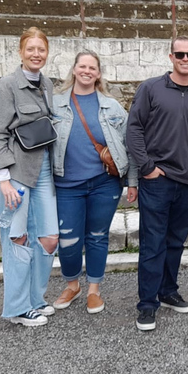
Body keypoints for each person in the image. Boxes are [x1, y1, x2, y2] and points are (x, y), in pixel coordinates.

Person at [127, 35, 188, 331]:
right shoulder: (151, 89)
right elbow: (134, 129)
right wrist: (147, 168)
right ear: (170, 56)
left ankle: (167, 291)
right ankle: (147, 304)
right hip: (158, 180)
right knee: (152, 244)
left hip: (187, 182)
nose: (185, 59)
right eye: (180, 54)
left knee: (175, 242)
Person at [51, 51, 138, 315]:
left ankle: (94, 290)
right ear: (74, 70)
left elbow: (128, 146)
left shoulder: (112, 106)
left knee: (98, 237)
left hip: (104, 182)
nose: (87, 71)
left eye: (92, 68)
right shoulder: (55, 104)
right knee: (68, 240)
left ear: (98, 74)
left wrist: (131, 181)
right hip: (67, 184)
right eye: (82, 66)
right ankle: (72, 284)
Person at [0, 27, 59, 327]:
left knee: (49, 238)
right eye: (30, 49)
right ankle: (17, 308)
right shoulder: (6, 86)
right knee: (17, 238)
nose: (36, 54)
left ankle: (34, 299)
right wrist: (3, 179)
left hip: (42, 170)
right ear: (20, 52)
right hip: (15, 172)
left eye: (41, 49)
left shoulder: (47, 85)